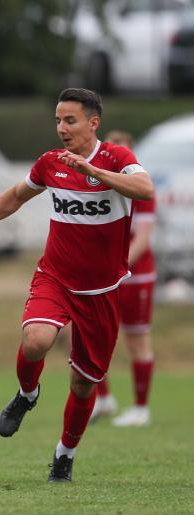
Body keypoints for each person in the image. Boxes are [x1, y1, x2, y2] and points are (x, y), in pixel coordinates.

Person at [0, 89, 154, 483]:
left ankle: (64, 456)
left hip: (101, 292)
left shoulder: (117, 158)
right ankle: (27, 395)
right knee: (36, 340)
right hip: (55, 276)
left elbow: (145, 189)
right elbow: (17, 196)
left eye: (70, 120)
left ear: (93, 122)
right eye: (58, 120)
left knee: (84, 385)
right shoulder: (51, 163)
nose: (61, 128)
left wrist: (93, 173)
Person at [91, 130, 157, 427]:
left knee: (136, 340)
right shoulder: (100, 186)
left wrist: (115, 267)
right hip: (105, 276)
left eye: (123, 151)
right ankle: (103, 399)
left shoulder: (141, 189)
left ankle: (141, 409)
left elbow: (141, 239)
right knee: (87, 335)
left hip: (135, 277)